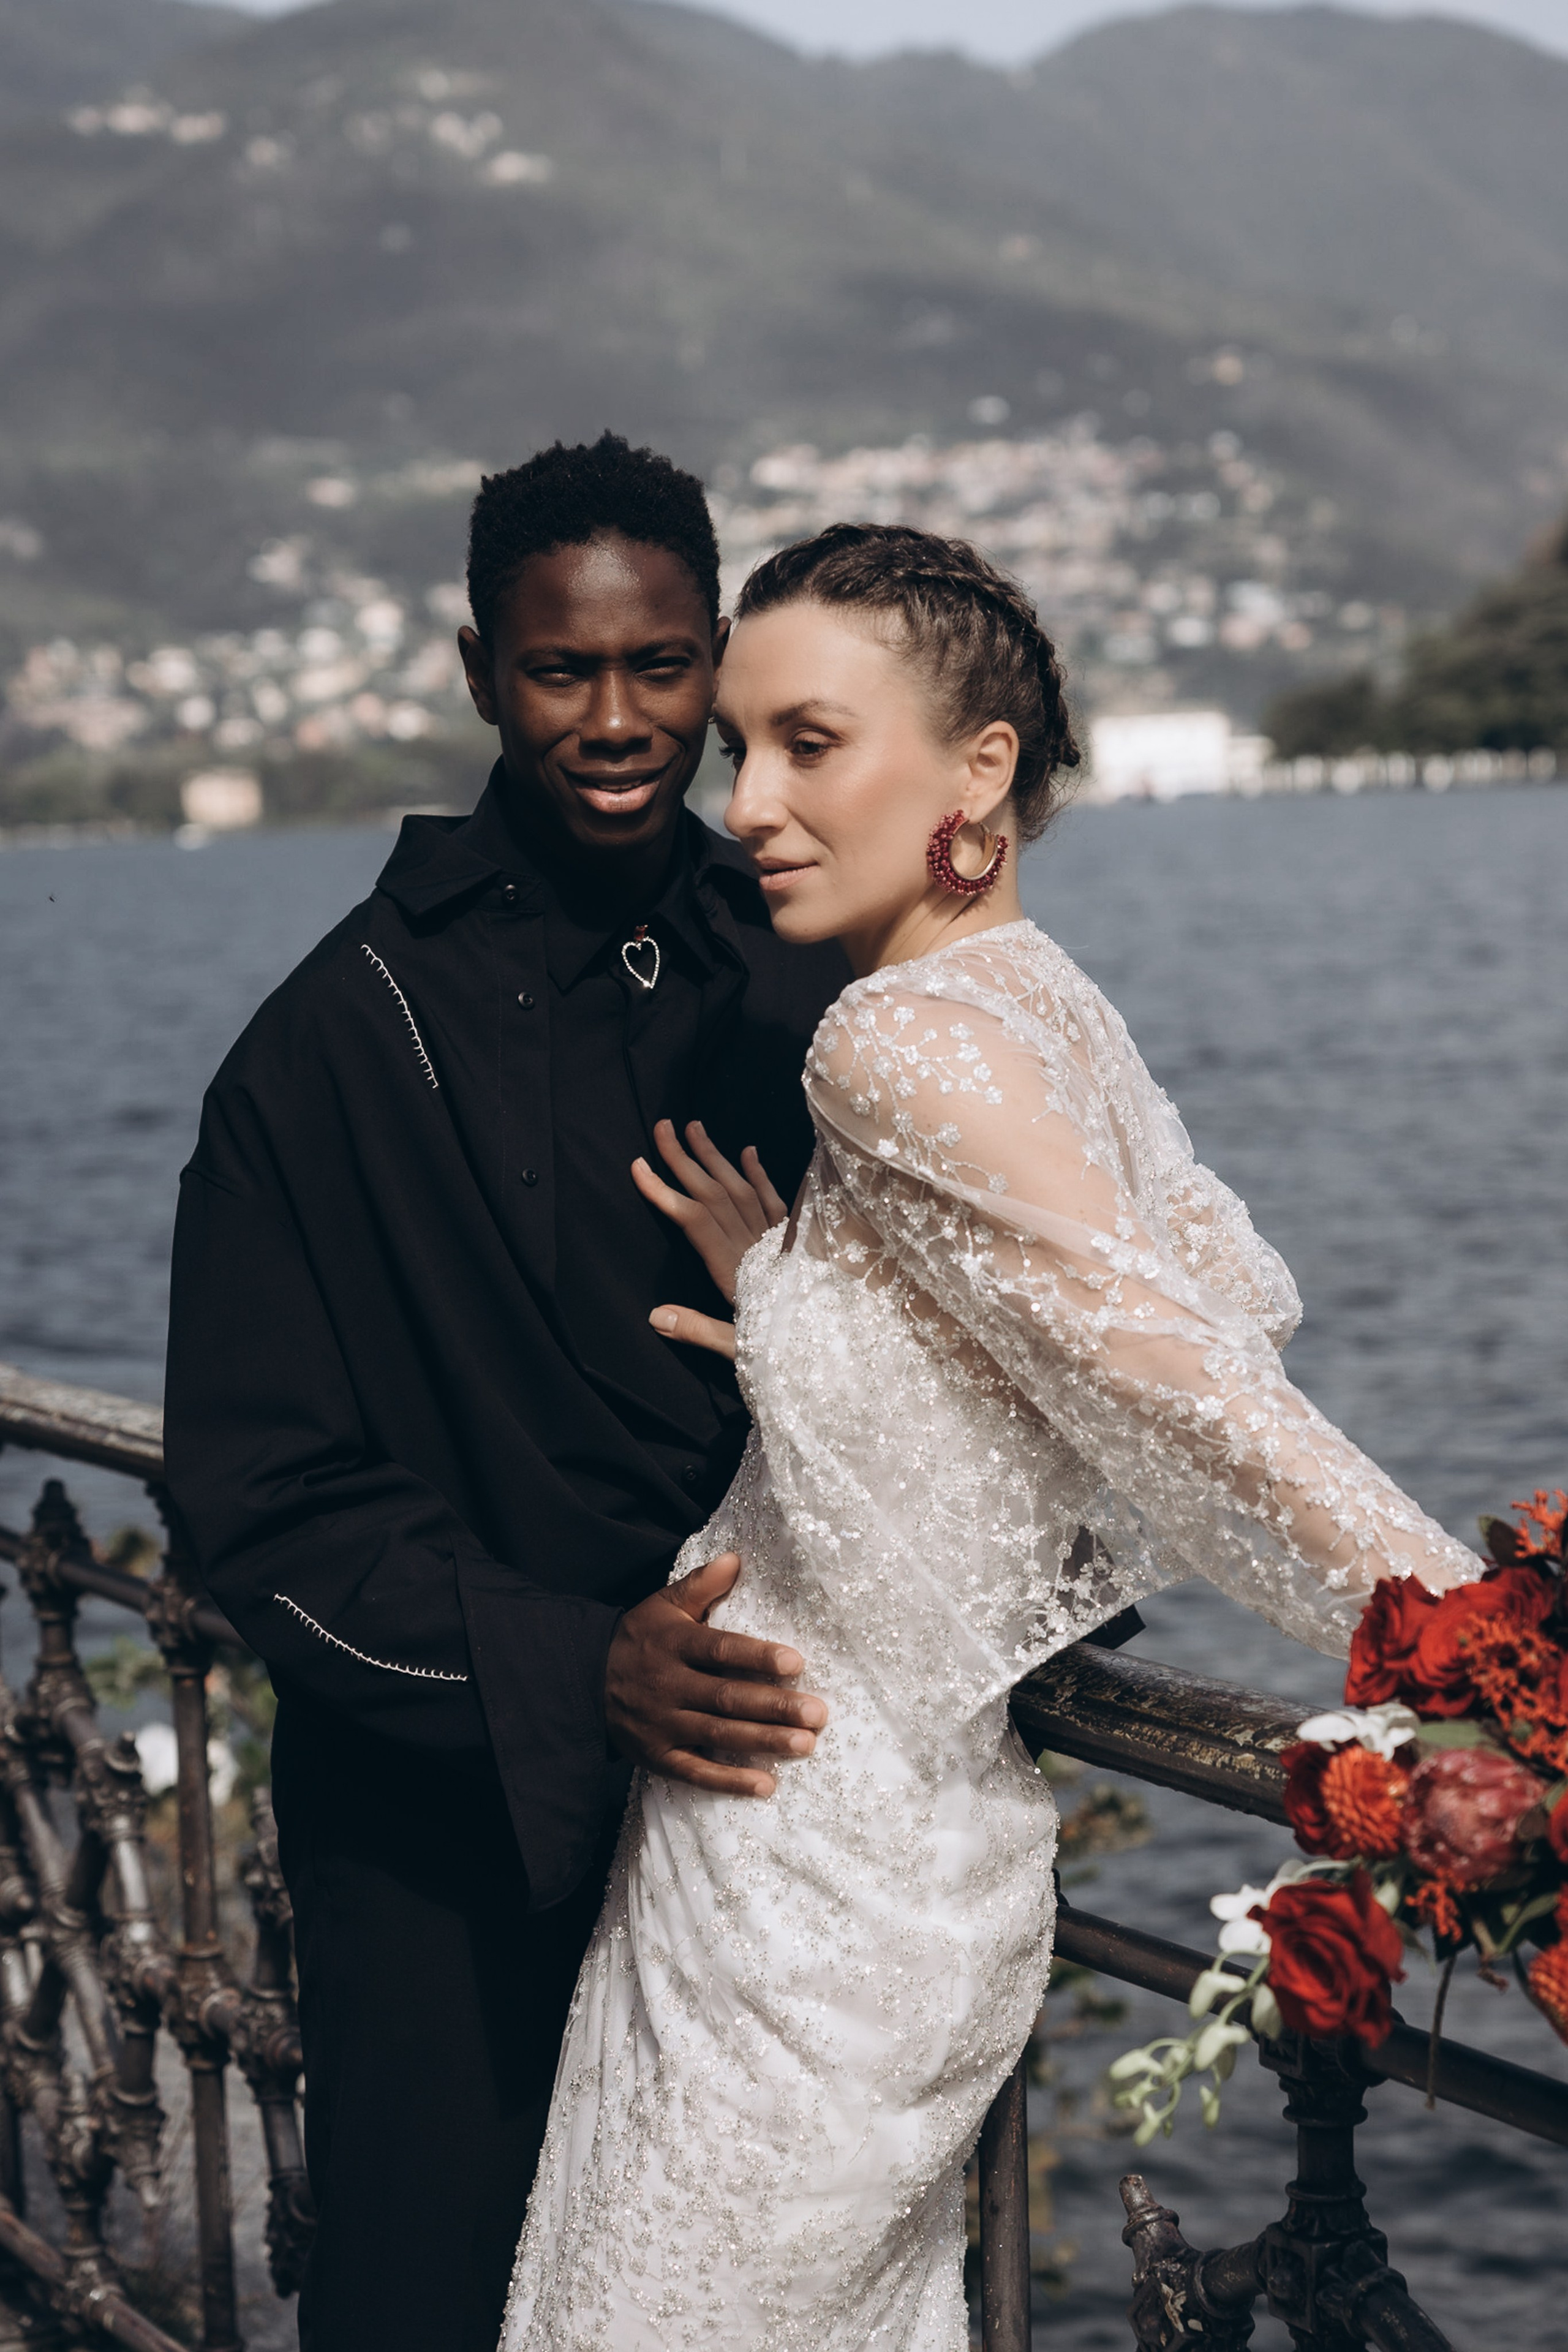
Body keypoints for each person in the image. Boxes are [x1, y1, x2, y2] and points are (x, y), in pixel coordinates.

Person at [500, 522, 1483, 2350]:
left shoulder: (882, 1045)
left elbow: (1181, 1382)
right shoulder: (1055, 1011)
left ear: (981, 770)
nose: (754, 805)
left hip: (803, 1834)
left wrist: (1480, 1642)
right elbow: (1179, 1320)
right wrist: (805, 1286)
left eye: (811, 743)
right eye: (745, 753)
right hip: (904, 1832)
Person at [161, 434, 847, 2352]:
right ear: (483, 674)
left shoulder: (808, 978)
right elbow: (255, 1508)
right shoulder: (325, 1047)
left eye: (660, 667)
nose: (616, 720)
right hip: (443, 1842)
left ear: (716, 663)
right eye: (565, 670)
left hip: (762, 1822)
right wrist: (575, 1668)